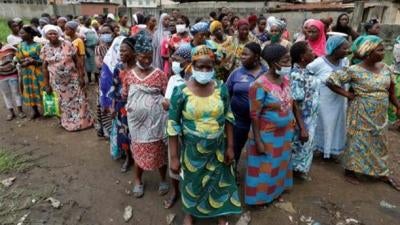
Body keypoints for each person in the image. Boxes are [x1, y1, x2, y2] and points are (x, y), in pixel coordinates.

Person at [168, 45, 241, 225]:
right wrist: (174, 157)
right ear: (192, 66)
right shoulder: (181, 92)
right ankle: (190, 213)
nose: (204, 70)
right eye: (200, 66)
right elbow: (172, 126)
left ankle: (220, 213)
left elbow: (228, 118)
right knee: (193, 183)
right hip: (192, 153)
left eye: (209, 67)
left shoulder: (221, 89)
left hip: (218, 149)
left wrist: (231, 147)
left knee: (219, 182)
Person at [326, 35, 400, 191]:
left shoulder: (385, 68)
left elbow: (391, 92)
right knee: (357, 141)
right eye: (380, 49)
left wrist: (398, 106)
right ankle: (351, 170)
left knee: (380, 142)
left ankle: (382, 172)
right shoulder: (353, 70)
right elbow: (331, 81)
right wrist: (348, 95)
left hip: (380, 114)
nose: (384, 51)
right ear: (368, 52)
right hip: (361, 112)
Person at [245, 44, 307, 205]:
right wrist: (258, 140)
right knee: (264, 168)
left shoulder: (286, 79)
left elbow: (293, 103)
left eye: (290, 60)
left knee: (279, 165)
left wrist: (302, 126)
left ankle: (275, 192)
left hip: (285, 133)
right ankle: (260, 199)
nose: (289, 64)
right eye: (285, 61)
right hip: (266, 136)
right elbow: (254, 115)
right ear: (274, 63)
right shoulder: (258, 85)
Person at [123, 30, 169, 198]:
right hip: (137, 125)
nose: (147, 60)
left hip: (155, 124)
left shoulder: (160, 75)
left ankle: (163, 179)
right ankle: (138, 180)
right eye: (143, 56)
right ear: (136, 55)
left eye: (149, 56)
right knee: (139, 151)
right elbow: (125, 94)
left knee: (159, 152)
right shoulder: (129, 75)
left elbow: (166, 95)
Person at [41, 25, 94, 131]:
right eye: (50, 34)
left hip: (73, 79)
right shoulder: (44, 49)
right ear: (46, 36)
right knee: (64, 103)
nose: (52, 35)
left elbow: (77, 61)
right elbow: (44, 68)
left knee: (80, 100)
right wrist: (46, 84)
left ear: (59, 34)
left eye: (54, 33)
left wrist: (81, 76)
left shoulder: (68, 44)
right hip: (57, 83)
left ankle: (84, 123)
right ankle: (68, 123)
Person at [226, 42, 268, 171]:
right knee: (235, 147)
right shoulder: (236, 73)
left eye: (245, 54)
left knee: (261, 146)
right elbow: (226, 93)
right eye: (241, 54)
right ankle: (232, 173)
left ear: (256, 57)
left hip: (262, 121)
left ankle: (259, 176)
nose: (241, 57)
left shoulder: (267, 73)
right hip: (239, 119)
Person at [308, 35, 350, 159]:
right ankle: (319, 149)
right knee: (323, 124)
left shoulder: (345, 62)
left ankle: (331, 150)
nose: (347, 51)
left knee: (336, 125)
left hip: (339, 100)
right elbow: (308, 73)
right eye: (344, 48)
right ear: (334, 48)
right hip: (324, 101)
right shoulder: (319, 62)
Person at [162, 43, 192, 209]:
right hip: (175, 129)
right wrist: (166, 103)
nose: (173, 62)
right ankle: (175, 191)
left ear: (188, 62)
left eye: (177, 60)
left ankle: (190, 194)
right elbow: (167, 101)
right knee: (174, 160)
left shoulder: (194, 81)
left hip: (191, 131)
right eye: (173, 59)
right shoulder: (174, 79)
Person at [289, 41, 318, 179]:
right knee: (298, 145)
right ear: (302, 57)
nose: (313, 52)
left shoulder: (307, 72)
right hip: (301, 120)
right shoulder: (296, 75)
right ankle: (292, 172)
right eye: (310, 51)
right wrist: (302, 127)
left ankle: (297, 170)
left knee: (304, 146)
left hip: (309, 119)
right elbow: (294, 102)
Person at [108, 37, 135, 172]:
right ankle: (128, 158)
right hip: (121, 107)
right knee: (124, 133)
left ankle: (139, 156)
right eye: (120, 51)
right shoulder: (118, 68)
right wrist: (113, 106)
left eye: (125, 51)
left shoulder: (139, 69)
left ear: (133, 52)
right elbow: (114, 86)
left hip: (136, 107)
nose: (121, 54)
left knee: (136, 133)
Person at [15, 26, 44, 119]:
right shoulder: (20, 46)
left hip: (37, 71)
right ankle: (34, 111)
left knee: (40, 89)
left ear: (30, 34)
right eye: (20, 33)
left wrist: (33, 61)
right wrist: (23, 62)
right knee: (29, 90)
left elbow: (43, 60)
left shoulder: (39, 46)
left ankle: (46, 109)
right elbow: (18, 58)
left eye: (22, 33)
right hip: (26, 72)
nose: (20, 35)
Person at [0, 44, 25, 120]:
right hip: (1, 77)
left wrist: (14, 63)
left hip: (12, 74)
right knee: (6, 94)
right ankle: (11, 112)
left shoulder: (8, 48)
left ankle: (20, 111)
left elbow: (17, 54)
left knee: (16, 92)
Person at [81, 17, 99, 84]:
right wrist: (85, 51)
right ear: (84, 21)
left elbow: (96, 37)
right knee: (88, 65)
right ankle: (89, 80)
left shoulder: (92, 28)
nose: (88, 21)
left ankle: (96, 79)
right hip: (88, 48)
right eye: (87, 20)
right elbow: (82, 41)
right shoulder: (82, 29)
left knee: (96, 64)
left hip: (94, 48)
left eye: (89, 20)